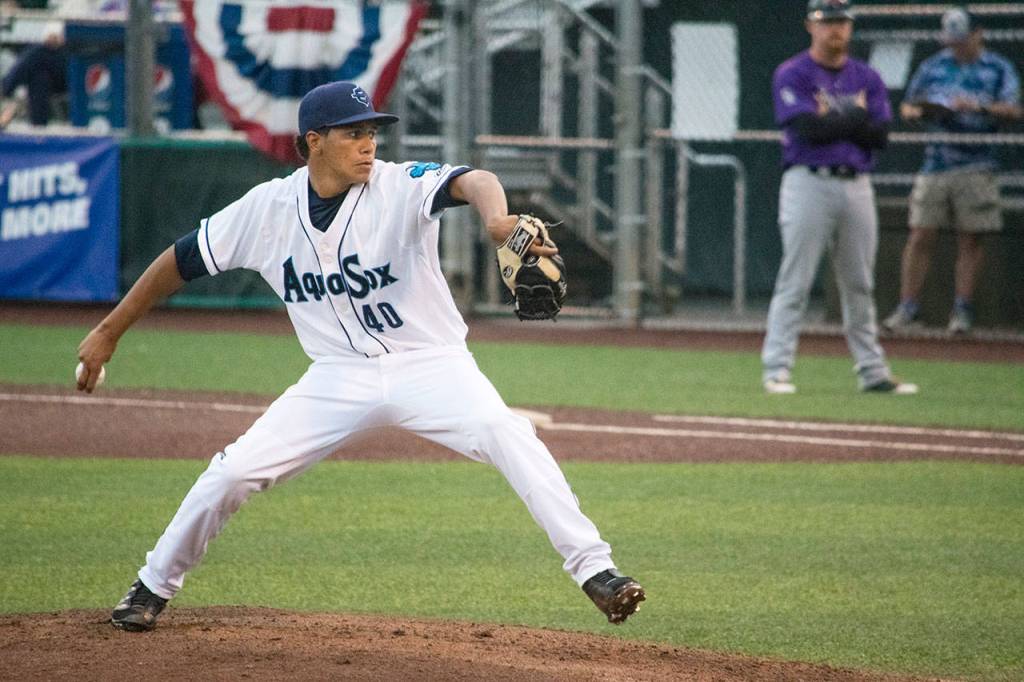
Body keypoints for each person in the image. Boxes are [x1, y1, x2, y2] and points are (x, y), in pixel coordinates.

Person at [75, 81, 645, 632]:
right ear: (313, 140)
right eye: (353, 133)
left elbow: (474, 179)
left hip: (431, 364)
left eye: (372, 130)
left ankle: (596, 571)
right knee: (233, 473)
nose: (369, 143)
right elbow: (179, 261)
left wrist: (496, 221)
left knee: (507, 433)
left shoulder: (398, 185)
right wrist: (108, 331)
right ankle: (151, 586)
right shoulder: (266, 208)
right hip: (336, 377)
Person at [761, 0, 917, 396]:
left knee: (860, 283)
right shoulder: (793, 72)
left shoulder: (866, 76)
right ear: (810, 25)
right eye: (827, 21)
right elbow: (807, 130)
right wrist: (854, 120)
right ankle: (777, 368)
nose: (835, 29)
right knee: (794, 280)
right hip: (808, 181)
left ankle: (872, 371)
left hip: (856, 184)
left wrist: (834, 120)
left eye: (842, 22)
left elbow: (880, 135)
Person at [881, 7, 1021, 336]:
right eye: (951, 41)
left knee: (970, 238)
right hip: (937, 161)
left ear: (978, 33)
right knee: (920, 233)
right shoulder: (934, 65)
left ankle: (962, 311)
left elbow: (1014, 108)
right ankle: (907, 307)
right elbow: (908, 105)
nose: (955, 47)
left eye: (961, 40)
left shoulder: (998, 67)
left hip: (978, 162)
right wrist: (921, 112)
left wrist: (976, 106)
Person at [0, 21, 67, 128]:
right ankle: (38, 127)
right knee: (39, 78)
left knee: (37, 55)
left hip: (71, 73)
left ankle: (5, 88)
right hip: (51, 75)